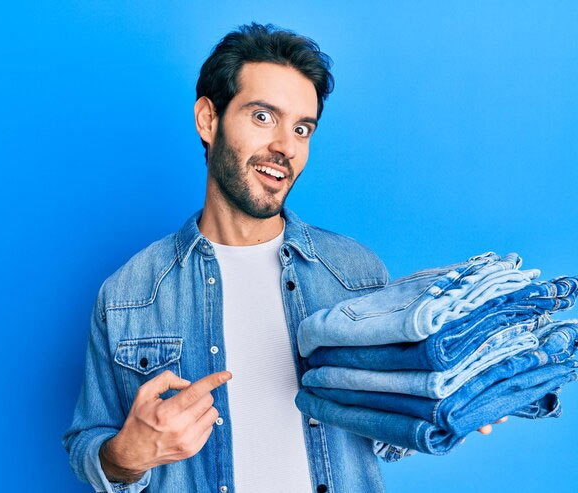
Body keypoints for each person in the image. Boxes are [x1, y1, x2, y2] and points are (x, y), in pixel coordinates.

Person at [62, 22, 505, 492]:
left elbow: (382, 437)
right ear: (208, 119)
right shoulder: (130, 294)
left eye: (301, 128)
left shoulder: (355, 274)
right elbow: (90, 438)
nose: (285, 146)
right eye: (262, 117)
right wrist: (127, 456)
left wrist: (445, 404)